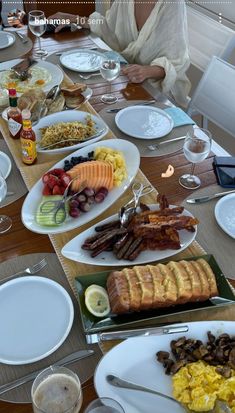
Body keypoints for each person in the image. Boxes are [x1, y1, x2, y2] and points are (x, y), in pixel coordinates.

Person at [49, 0, 191, 107]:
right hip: (125, 82)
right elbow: (108, 26)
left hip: (156, 91)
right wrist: (75, 18)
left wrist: (147, 71)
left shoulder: (174, 4)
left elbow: (177, 61)